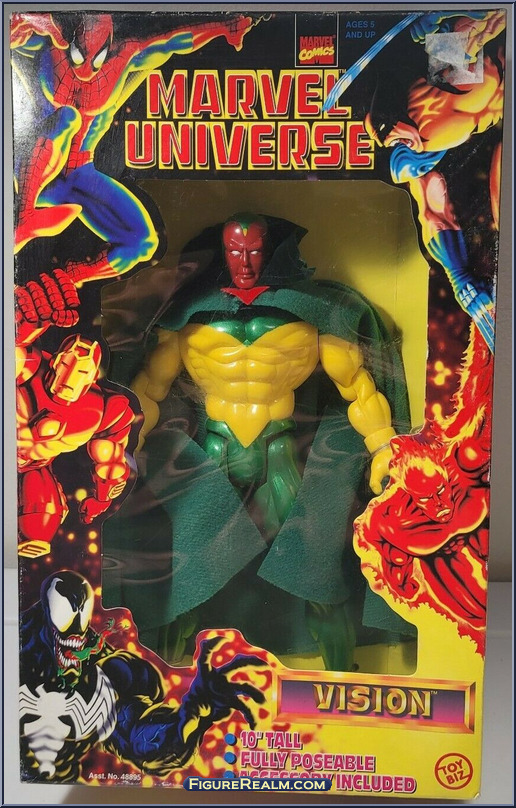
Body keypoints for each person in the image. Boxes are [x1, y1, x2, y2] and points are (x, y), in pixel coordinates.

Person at [104, 213, 413, 670]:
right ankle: (162, 676)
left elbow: (357, 386)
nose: (244, 263)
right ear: (222, 252)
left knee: (314, 570)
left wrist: (384, 444)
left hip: (278, 451)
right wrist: (123, 449)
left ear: (271, 253)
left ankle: (340, 676)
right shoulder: (188, 319)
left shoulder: (310, 317)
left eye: (253, 252)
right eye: (235, 251)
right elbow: (149, 389)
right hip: (212, 455)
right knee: (187, 578)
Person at [10, 11, 262, 282]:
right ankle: (24, 217)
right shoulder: (46, 43)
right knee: (67, 118)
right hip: (34, 172)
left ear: (109, 44)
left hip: (78, 174)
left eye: (96, 60)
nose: (85, 72)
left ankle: (72, 278)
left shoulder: (125, 55)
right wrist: (17, 24)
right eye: (79, 57)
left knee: (142, 242)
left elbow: (173, 41)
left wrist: (225, 25)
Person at [20, 570, 266, 782]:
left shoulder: (105, 669)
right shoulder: (19, 650)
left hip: (62, 786)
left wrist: (191, 717)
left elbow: (137, 736)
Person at [364, 10, 505, 351]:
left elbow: (476, 23)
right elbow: (431, 209)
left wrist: (448, 21)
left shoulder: (440, 70)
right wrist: (461, 281)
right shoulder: (423, 141)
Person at [16, 270, 136, 558]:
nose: (70, 377)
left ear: (92, 377)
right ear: (56, 361)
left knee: (39, 522)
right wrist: (27, 321)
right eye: (67, 365)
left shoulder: (100, 410)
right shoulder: (27, 369)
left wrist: (101, 500)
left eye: (82, 371)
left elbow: (110, 461)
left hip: (34, 465)